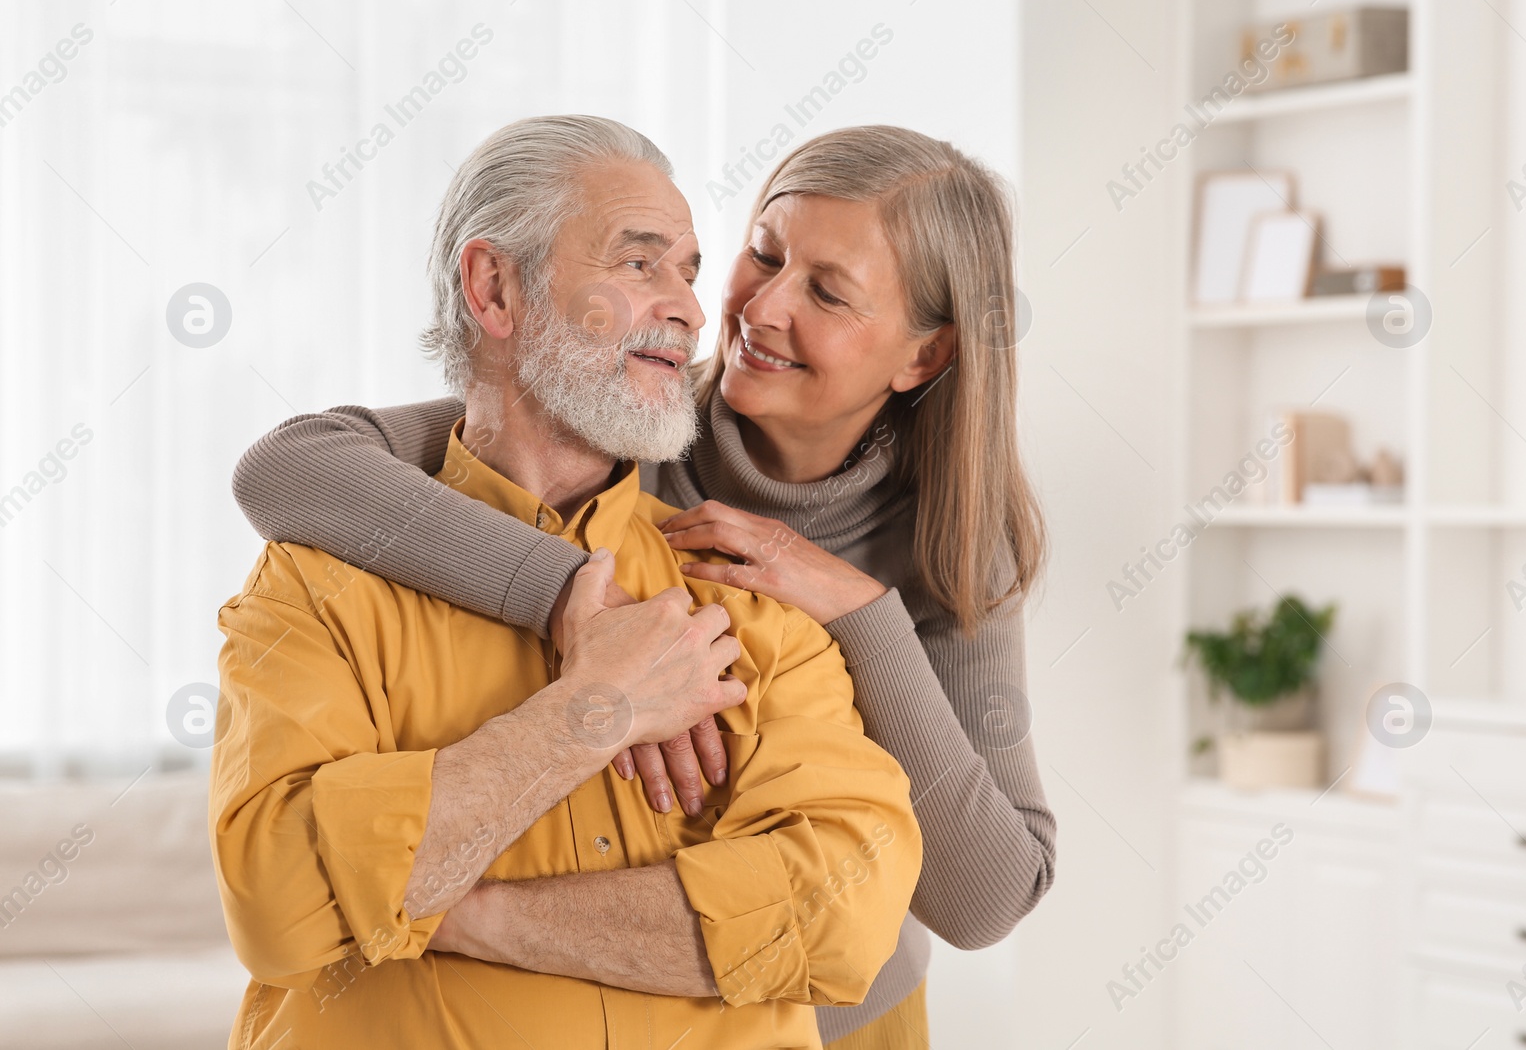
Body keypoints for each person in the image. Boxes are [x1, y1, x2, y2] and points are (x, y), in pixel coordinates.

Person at [233, 122, 1055, 1047]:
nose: (744, 311)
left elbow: (979, 895)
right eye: (762, 254)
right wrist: (589, 615)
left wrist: (866, 618)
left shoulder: (948, 542)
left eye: (827, 292)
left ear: (922, 357)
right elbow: (293, 468)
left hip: (841, 1007)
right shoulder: (616, 404)